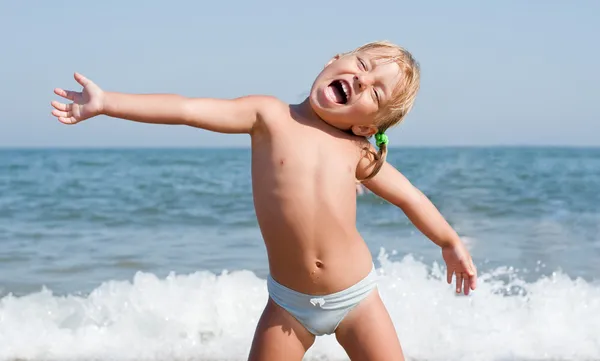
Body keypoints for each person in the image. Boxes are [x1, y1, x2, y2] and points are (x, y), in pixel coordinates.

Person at [51, 40, 477, 361]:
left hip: (357, 299)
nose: (362, 80)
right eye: (361, 66)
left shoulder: (358, 154)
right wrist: (108, 103)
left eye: (376, 93)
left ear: (369, 125)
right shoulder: (269, 115)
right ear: (333, 61)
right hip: (288, 305)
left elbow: (409, 197)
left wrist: (449, 242)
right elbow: (185, 108)